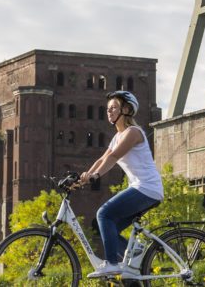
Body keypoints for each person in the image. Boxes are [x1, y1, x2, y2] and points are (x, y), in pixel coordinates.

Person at [78, 90, 164, 279]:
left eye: (113, 108)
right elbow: (104, 157)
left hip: (147, 188)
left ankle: (111, 263)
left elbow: (114, 157)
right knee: (108, 229)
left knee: (103, 213)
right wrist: (83, 178)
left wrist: (96, 176)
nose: (109, 112)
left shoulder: (133, 132)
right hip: (141, 188)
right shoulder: (117, 137)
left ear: (126, 109)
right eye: (107, 109)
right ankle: (135, 252)